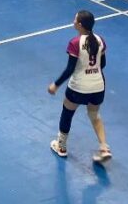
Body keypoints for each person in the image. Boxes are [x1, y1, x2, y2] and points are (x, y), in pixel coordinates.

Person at [47, 10, 111, 163]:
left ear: (80, 25)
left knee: (67, 113)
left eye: (75, 20)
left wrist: (55, 85)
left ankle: (61, 147)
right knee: (94, 116)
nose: (73, 21)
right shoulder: (100, 40)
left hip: (78, 87)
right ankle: (104, 148)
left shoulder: (75, 43)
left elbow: (70, 69)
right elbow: (102, 64)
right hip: (98, 86)